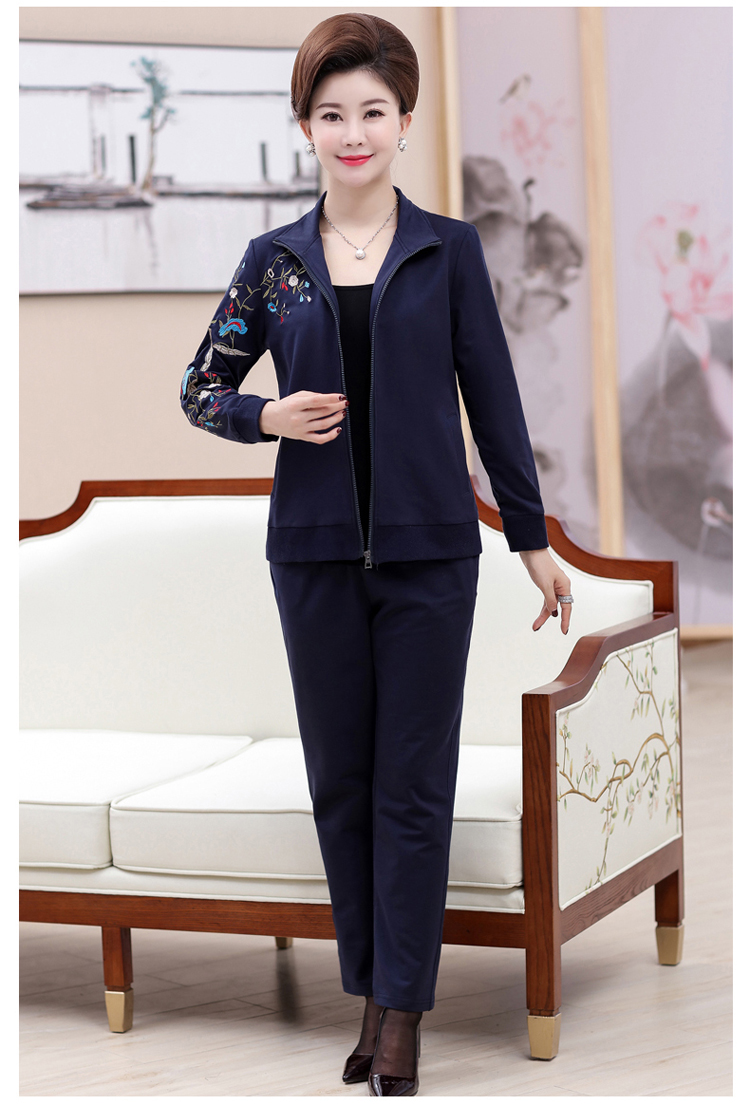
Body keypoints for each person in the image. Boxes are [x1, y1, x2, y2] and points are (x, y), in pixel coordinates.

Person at [180, 12, 573, 1096]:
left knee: (412, 786)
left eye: (372, 112)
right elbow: (200, 388)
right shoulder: (274, 264)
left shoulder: (448, 250)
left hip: (430, 557)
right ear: (306, 126)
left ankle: (401, 1016)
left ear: (404, 122)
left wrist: (531, 538)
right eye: (331, 114)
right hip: (310, 558)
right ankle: (374, 989)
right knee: (343, 787)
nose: (352, 133)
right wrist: (268, 416)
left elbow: (494, 400)